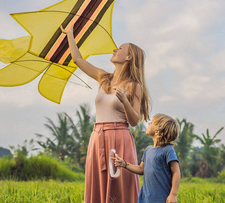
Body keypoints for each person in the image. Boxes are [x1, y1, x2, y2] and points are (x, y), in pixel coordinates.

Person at [60, 25, 151, 203]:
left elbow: (134, 121)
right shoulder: (104, 78)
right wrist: (70, 34)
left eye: (120, 48)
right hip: (97, 137)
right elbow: (78, 59)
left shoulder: (134, 86)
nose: (114, 50)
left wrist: (125, 100)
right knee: (97, 184)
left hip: (119, 138)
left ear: (129, 57)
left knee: (120, 185)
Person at [112, 113, 181, 203]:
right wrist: (124, 164)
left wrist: (173, 194)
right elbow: (141, 169)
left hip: (161, 198)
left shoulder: (168, 150)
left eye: (152, 122)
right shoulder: (148, 150)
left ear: (158, 131)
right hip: (145, 198)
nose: (149, 123)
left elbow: (176, 172)